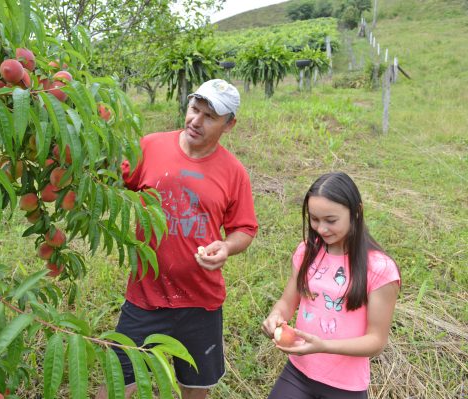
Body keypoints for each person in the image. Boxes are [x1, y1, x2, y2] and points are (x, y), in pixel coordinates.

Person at [96, 79, 258, 399]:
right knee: (115, 387)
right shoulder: (151, 146)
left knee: (195, 391)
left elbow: (245, 229)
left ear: (230, 124)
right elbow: (110, 178)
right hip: (144, 297)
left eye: (209, 116)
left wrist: (226, 246)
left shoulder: (233, 171)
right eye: (194, 109)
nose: (196, 121)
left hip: (201, 303)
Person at [261, 172, 401, 399]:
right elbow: (287, 302)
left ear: (356, 212)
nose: (321, 229)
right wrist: (275, 316)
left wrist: (323, 345)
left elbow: (376, 341)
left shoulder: (379, 269)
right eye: (314, 219)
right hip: (298, 371)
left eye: (331, 220)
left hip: (345, 387)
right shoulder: (307, 251)